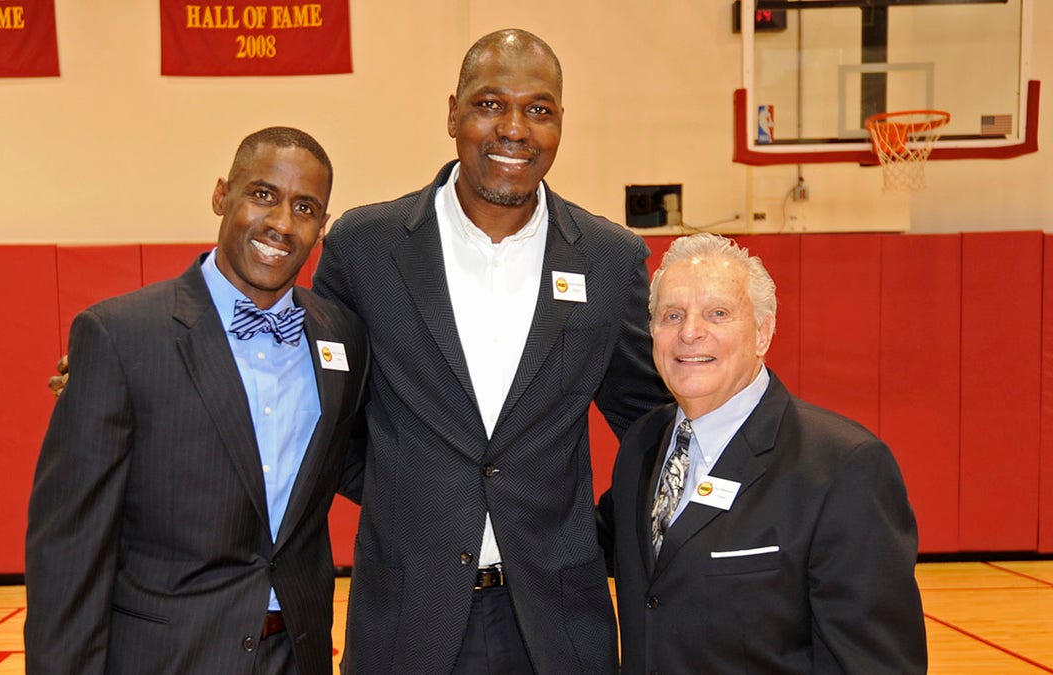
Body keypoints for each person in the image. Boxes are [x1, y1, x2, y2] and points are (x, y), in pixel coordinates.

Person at [312, 29, 669, 674]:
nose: (515, 128)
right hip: (406, 617)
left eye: (539, 109)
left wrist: (593, 531)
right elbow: (321, 409)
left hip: (559, 621)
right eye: (489, 104)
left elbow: (656, 427)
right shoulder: (366, 248)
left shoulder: (610, 260)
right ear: (452, 112)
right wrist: (409, 492)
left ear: (561, 123)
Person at [24, 127, 370, 675]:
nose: (281, 223)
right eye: (262, 195)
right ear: (220, 195)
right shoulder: (121, 337)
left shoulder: (341, 336)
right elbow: (69, 552)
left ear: (321, 227)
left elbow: (361, 461)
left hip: (297, 653)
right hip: (167, 657)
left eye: (304, 207)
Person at [600, 232, 927, 673]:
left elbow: (874, 663)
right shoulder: (643, 443)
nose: (690, 332)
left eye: (718, 313)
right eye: (671, 315)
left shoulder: (843, 466)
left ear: (763, 333)